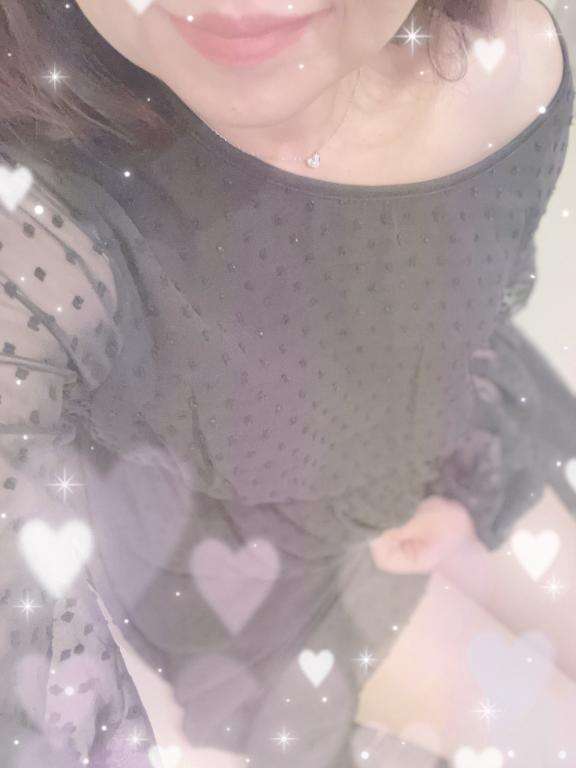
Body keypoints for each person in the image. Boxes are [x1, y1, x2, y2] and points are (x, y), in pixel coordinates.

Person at [0, 0, 575, 765]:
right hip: (259, 577)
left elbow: (480, 306)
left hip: (435, 452)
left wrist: (457, 469)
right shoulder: (41, 208)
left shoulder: (512, 65)